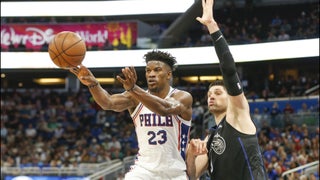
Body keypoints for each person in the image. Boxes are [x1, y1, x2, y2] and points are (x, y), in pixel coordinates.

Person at [69, 50, 193, 179]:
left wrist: (133, 89)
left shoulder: (182, 97)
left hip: (174, 172)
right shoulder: (135, 97)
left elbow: (164, 109)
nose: (151, 74)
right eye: (148, 70)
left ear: (168, 75)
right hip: (144, 170)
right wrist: (93, 84)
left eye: (157, 70)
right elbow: (108, 102)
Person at [186, 0, 268, 179]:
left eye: (217, 93)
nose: (211, 97)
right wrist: (191, 155)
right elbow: (191, 177)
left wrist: (212, 26)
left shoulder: (239, 115)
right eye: (209, 95)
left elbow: (229, 70)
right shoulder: (210, 139)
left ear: (230, 97)